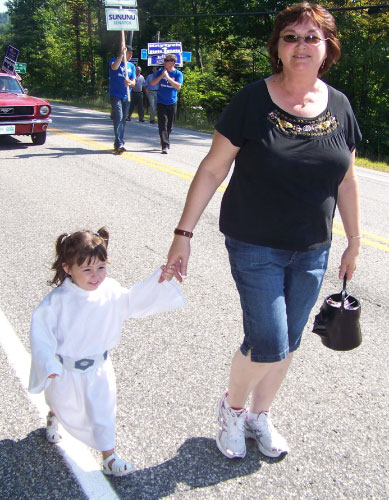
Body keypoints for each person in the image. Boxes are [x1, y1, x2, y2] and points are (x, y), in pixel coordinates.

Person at [160, 2, 362, 460]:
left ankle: (260, 415)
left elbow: (346, 178)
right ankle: (232, 409)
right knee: (268, 340)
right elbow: (212, 170)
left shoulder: (340, 106)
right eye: (291, 37)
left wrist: (354, 240)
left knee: (287, 341)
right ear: (278, 47)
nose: (302, 45)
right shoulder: (252, 100)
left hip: (313, 247)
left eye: (312, 37)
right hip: (254, 244)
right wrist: (183, 234)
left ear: (327, 46)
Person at [28, 228, 185, 476]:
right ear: (68, 268)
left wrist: (161, 279)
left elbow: (133, 300)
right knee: (62, 403)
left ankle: (109, 457)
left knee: (102, 412)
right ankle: (54, 414)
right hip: (66, 370)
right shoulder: (57, 301)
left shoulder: (110, 290)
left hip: (99, 368)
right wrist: (48, 364)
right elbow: (41, 335)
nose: (96, 276)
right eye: (87, 270)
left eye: (101, 267)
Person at [150, 54, 183, 154]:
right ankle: (164, 145)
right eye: (164, 60)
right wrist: (161, 76)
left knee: (169, 126)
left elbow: (178, 86)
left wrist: (167, 77)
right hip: (161, 102)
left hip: (172, 102)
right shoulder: (161, 71)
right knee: (162, 124)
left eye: (166, 60)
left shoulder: (178, 74)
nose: (164, 62)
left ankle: (165, 140)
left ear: (172, 62)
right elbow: (152, 83)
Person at [109, 43, 136, 155]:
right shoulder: (114, 61)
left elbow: (134, 82)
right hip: (115, 95)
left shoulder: (131, 66)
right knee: (118, 117)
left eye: (131, 53)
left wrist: (130, 82)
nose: (130, 55)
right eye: (128, 53)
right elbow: (114, 67)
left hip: (126, 96)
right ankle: (120, 143)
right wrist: (121, 55)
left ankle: (118, 143)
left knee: (123, 120)